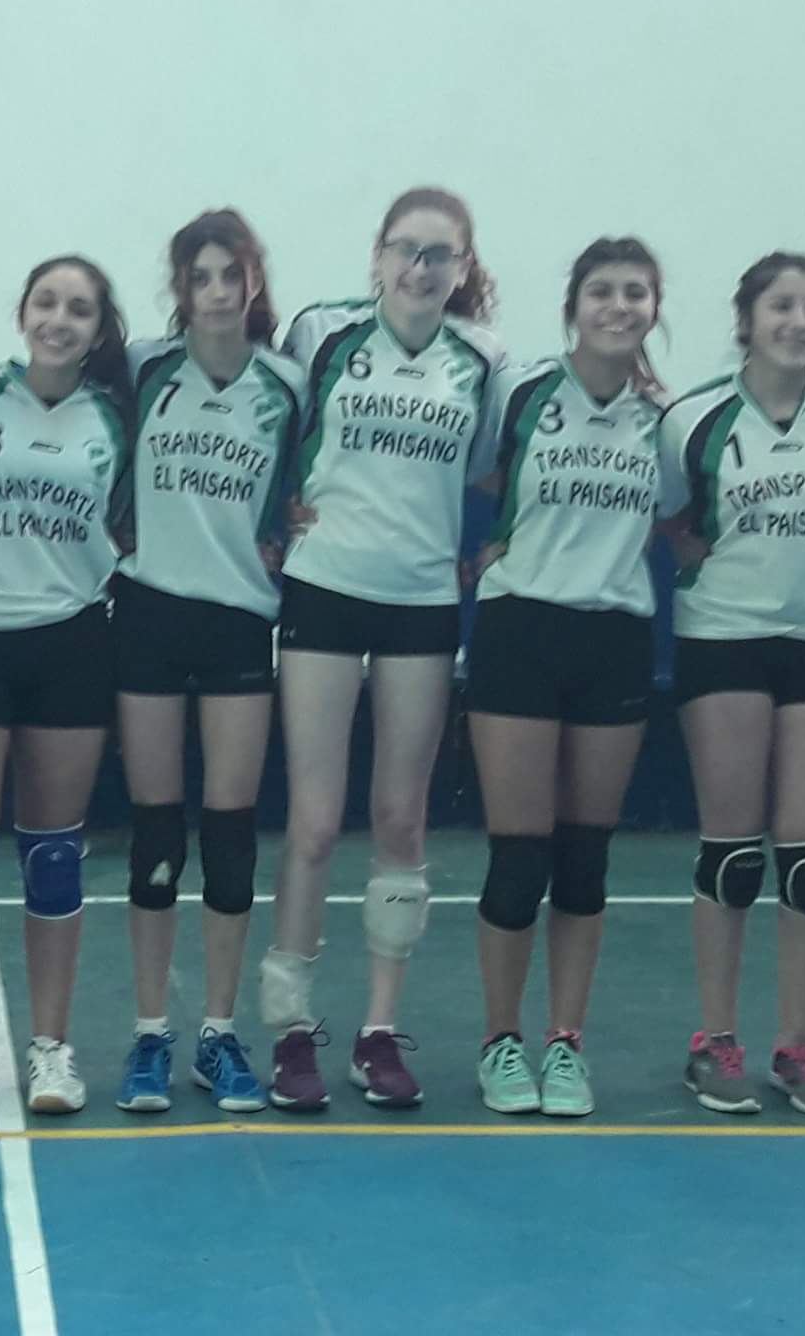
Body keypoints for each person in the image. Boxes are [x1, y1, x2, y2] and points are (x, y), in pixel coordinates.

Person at [261, 187, 503, 1111]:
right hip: (325, 588)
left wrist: (501, 543)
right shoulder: (319, 334)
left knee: (401, 822)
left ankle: (377, 1032)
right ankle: (290, 1026)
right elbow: (264, 424)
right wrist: (276, 510)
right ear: (377, 255)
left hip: (421, 602)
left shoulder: (483, 361)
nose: (422, 268)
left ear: (463, 268)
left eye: (442, 254)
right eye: (408, 249)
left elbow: (499, 467)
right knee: (316, 823)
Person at [658, 253, 805, 1116]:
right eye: (781, 306)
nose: (799, 321)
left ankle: (797, 1045)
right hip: (723, 640)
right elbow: (663, 512)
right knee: (734, 854)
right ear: (747, 319)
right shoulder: (694, 418)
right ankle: (714, 1041)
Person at [0, 257, 131, 1118]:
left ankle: (50, 1046)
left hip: (71, 641)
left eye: (78, 309)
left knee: (52, 857)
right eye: (46, 303)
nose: (59, 321)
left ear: (97, 329)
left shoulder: (114, 418)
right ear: (22, 313)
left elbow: (134, 520)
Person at [466, 237, 664, 1119]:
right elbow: (474, 469)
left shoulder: (668, 420)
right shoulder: (520, 393)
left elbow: (685, 519)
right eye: (602, 291)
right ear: (573, 306)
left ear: (654, 309)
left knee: (585, 860)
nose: (618, 306)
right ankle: (501, 1041)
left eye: (636, 293)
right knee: (519, 857)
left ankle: (565, 1041)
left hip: (614, 635)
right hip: (520, 629)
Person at [113, 210, 303, 1114]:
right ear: (181, 289)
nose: (219, 292)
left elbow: (320, 477)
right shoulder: (143, 369)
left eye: (233, 275)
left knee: (229, 840)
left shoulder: (290, 386)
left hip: (240, 619)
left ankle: (219, 1036)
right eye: (201, 277)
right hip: (149, 611)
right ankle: (151, 1033)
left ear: (253, 283)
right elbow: (44, 373)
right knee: (156, 836)